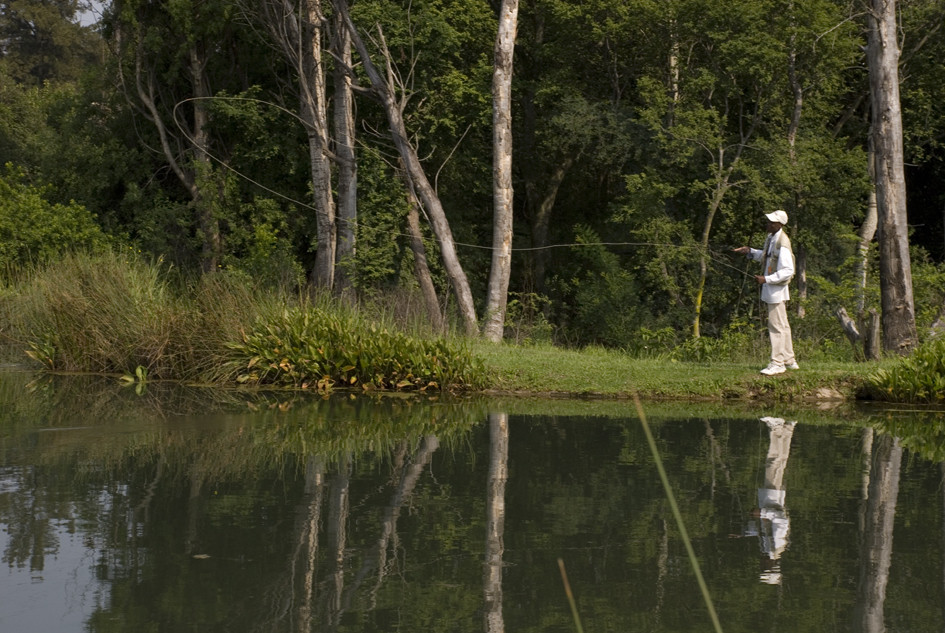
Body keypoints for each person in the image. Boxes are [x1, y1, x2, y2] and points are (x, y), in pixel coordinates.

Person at [733, 210, 798, 375]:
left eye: (771, 222)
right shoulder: (771, 239)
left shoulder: (782, 243)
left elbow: (788, 271)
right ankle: (789, 360)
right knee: (782, 325)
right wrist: (750, 252)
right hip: (773, 290)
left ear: (779, 224)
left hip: (776, 290)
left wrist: (766, 279)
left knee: (776, 326)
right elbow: (767, 257)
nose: (767, 224)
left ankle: (778, 363)